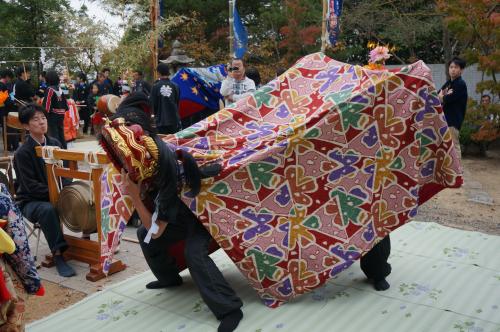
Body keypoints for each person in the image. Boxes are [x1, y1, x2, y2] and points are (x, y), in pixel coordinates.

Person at [103, 94, 243, 332]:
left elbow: (157, 231)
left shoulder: (165, 169)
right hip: (182, 214)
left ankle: (230, 308)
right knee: (141, 235)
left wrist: (135, 196)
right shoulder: (150, 156)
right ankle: (170, 278)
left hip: (206, 217)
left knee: (193, 252)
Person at [14, 103, 75, 277]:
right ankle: (58, 255)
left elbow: (65, 174)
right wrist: (57, 194)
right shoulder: (22, 152)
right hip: (30, 201)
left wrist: (68, 189)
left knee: (83, 196)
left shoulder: (54, 143)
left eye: (43, 118)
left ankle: (86, 243)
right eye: (35, 119)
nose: (41, 122)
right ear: (26, 126)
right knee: (48, 209)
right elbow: (29, 186)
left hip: (56, 194)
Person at [438, 57, 468, 159]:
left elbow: (447, 99)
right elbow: (437, 95)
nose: (453, 69)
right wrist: (443, 96)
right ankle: (451, 172)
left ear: (462, 70)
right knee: (446, 147)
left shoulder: (460, 84)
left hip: (453, 120)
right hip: (445, 119)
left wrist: (443, 97)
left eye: (456, 67)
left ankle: (458, 172)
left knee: (453, 145)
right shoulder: (449, 83)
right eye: (451, 67)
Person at [149, 63, 181, 134]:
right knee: (173, 142)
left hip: (161, 121)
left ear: (159, 72)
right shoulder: (176, 86)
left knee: (163, 142)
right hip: (174, 120)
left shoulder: (155, 87)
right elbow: (177, 102)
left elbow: (152, 104)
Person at [43, 70, 68, 149]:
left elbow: (47, 105)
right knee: (61, 135)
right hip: (61, 115)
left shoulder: (50, 89)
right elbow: (66, 105)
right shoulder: (60, 89)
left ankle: (57, 153)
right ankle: (65, 151)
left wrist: (44, 113)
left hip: (52, 116)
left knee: (54, 135)